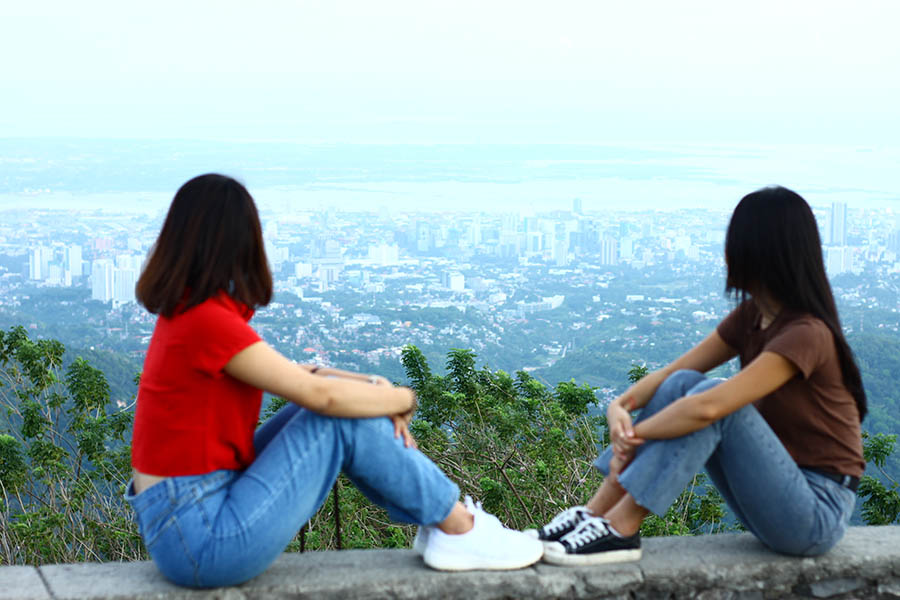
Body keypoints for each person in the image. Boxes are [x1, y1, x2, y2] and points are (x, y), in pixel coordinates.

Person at [126, 173, 542, 588]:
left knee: (327, 409)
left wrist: (373, 388)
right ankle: (458, 527)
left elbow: (303, 377)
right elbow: (322, 397)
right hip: (202, 541)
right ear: (240, 240)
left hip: (191, 521)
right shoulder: (206, 322)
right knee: (334, 418)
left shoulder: (189, 315)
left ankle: (443, 523)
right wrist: (403, 397)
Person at [527, 186, 865, 565]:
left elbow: (709, 410)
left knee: (716, 406)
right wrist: (621, 406)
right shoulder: (753, 316)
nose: (726, 253)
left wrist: (634, 434)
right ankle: (593, 515)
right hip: (778, 492)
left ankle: (621, 530)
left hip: (816, 512)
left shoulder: (807, 333)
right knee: (683, 384)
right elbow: (674, 373)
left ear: (759, 250)